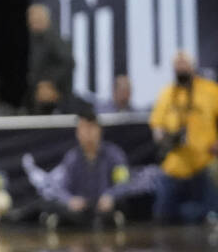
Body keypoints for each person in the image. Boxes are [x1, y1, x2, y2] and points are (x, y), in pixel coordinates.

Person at [149, 52, 218, 224]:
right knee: (162, 215)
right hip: (175, 164)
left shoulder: (210, 90)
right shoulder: (167, 94)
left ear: (192, 66)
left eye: (184, 63)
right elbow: (157, 126)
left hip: (204, 162)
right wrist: (165, 139)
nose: (180, 67)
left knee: (208, 215)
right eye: (177, 64)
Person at [39, 111, 133, 229]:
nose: (87, 133)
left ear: (100, 130)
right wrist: (70, 200)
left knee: (120, 205)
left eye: (91, 128)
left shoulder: (115, 154)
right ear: (77, 133)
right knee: (53, 205)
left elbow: (124, 182)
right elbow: (60, 188)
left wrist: (111, 196)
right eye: (83, 128)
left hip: (104, 207)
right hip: (81, 209)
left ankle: (114, 218)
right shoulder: (71, 157)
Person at [27, 4, 74, 106]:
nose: (33, 21)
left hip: (54, 96)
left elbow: (68, 61)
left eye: (37, 18)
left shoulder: (54, 39)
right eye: (31, 18)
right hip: (34, 95)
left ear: (46, 19)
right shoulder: (34, 39)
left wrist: (49, 82)